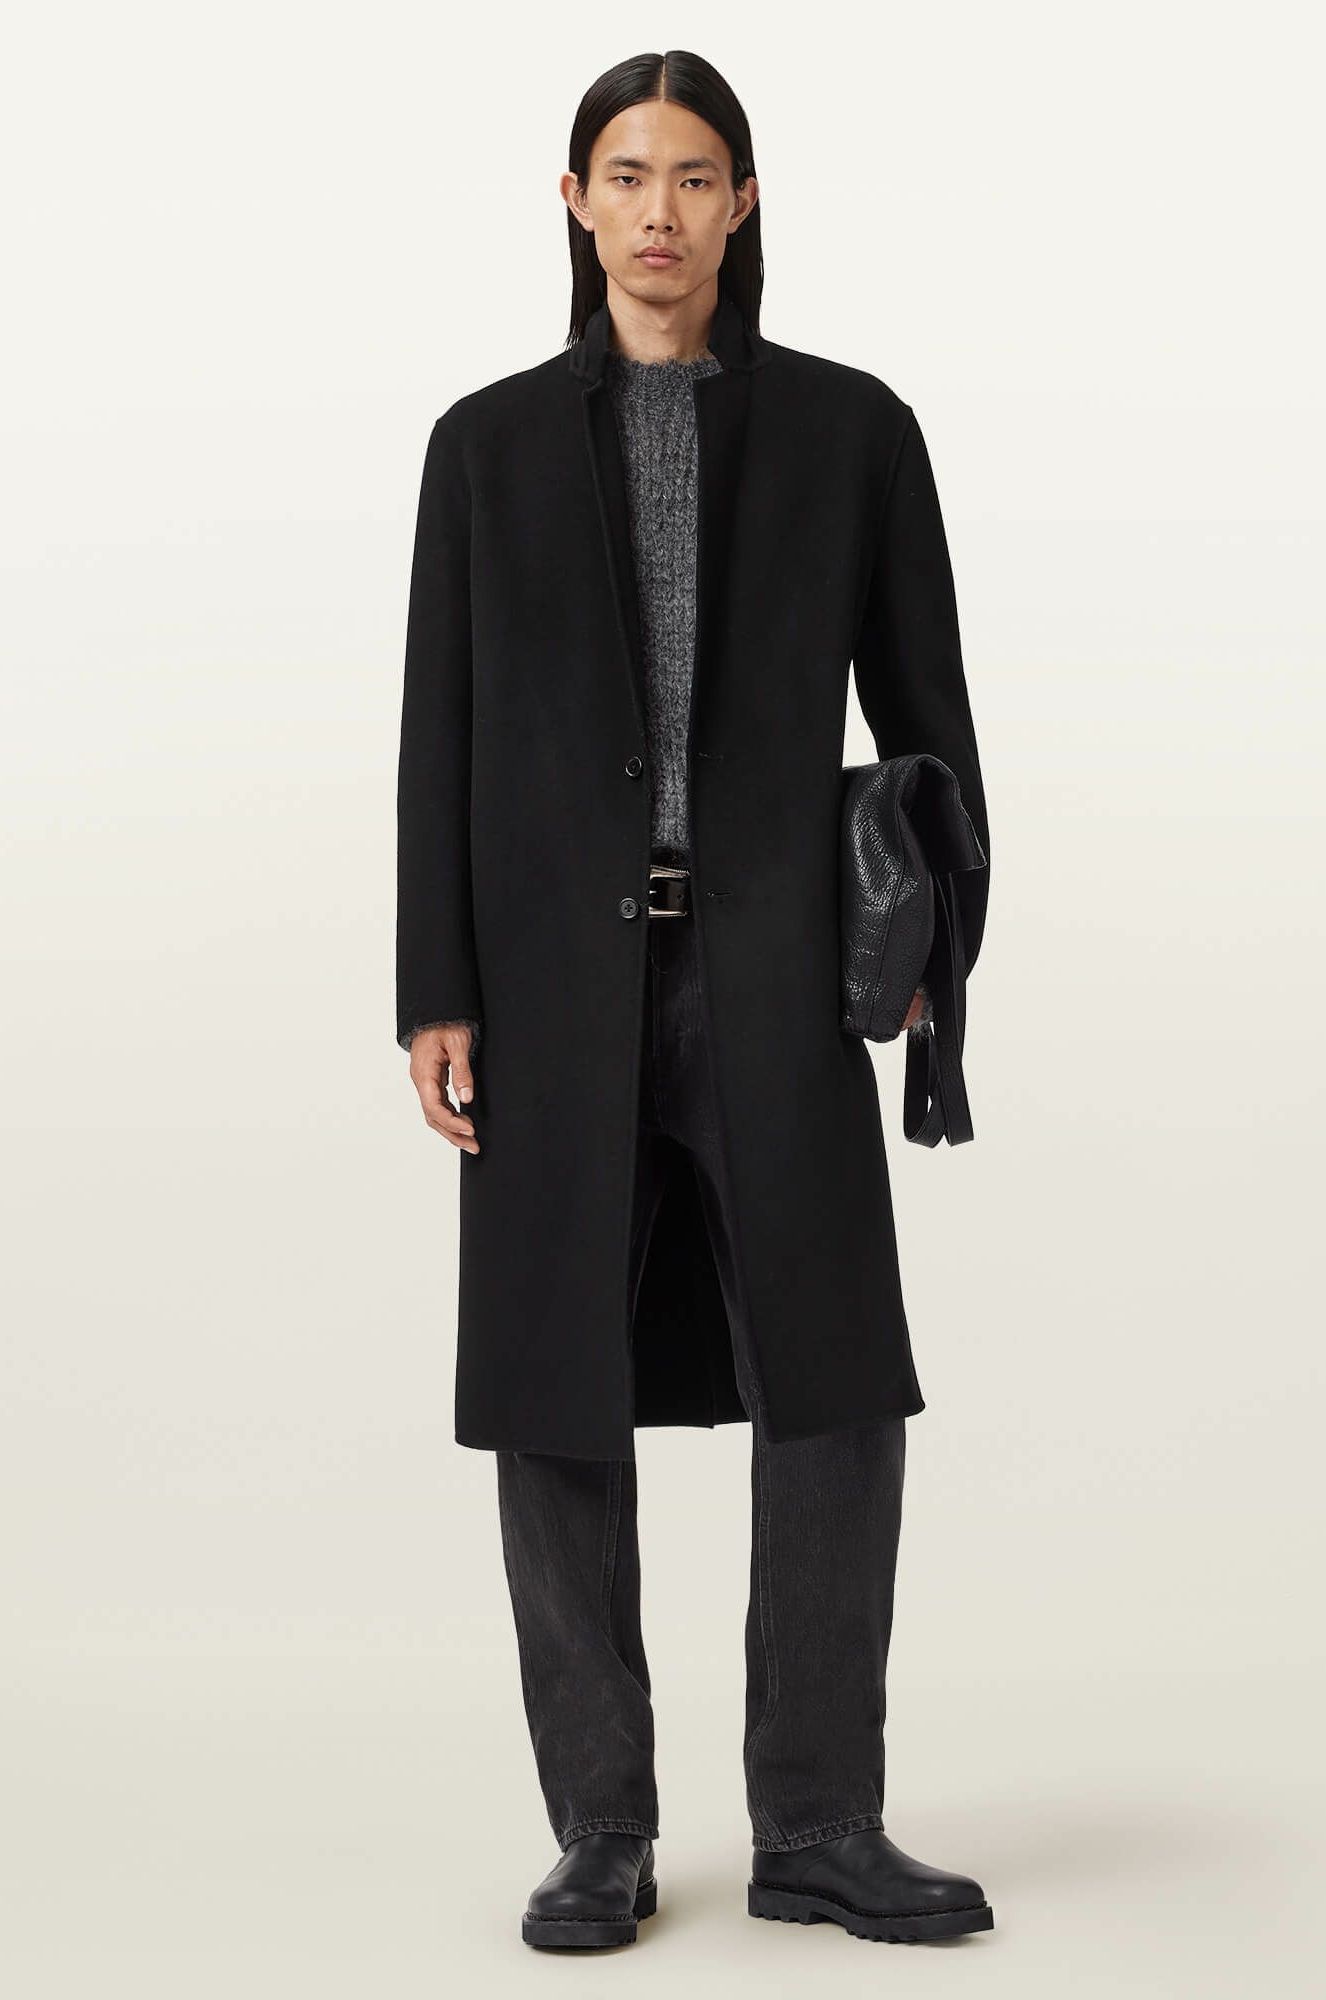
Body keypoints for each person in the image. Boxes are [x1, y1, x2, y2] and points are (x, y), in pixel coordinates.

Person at [396, 49, 994, 1950]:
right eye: (627, 172)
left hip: (781, 974)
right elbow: (437, 736)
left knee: (838, 1381)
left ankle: (818, 1822)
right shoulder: (484, 447)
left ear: (744, 202)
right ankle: (601, 1830)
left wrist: (937, 958)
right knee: (550, 1393)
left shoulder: (852, 431)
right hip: (548, 985)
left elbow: (932, 722)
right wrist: (435, 987)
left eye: (697, 174)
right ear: (574, 200)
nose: (661, 210)